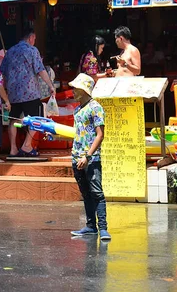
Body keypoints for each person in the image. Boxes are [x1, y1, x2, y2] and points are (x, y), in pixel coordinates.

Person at [68, 73, 110, 241]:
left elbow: (100, 135)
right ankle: (91, 226)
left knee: (97, 193)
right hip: (76, 157)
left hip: (91, 159)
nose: (73, 92)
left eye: (76, 89)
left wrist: (88, 155)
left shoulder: (96, 108)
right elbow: (77, 134)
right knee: (86, 193)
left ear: (84, 90)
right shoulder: (77, 110)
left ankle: (103, 228)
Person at [0, 29, 55, 157]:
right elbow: (40, 70)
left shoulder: (10, 51)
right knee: (36, 119)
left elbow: (1, 72)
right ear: (31, 38)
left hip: (13, 93)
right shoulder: (32, 50)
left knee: (13, 120)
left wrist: (5, 90)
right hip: (30, 92)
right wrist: (50, 85)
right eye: (34, 39)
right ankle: (26, 146)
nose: (34, 42)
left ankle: (13, 149)